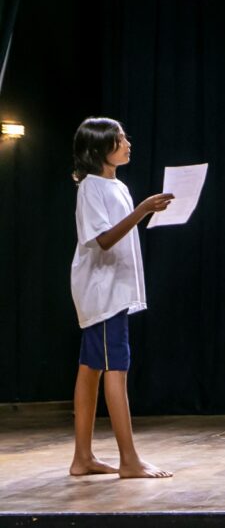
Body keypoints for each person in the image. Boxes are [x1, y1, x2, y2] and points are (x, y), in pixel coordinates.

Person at [69, 117, 174, 478]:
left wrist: (146, 212)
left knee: (90, 369)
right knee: (116, 369)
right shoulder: (90, 188)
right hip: (102, 292)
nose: (128, 143)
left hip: (112, 288)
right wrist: (142, 210)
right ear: (100, 148)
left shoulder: (117, 186)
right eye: (120, 139)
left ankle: (83, 458)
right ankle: (129, 460)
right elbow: (102, 240)